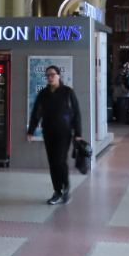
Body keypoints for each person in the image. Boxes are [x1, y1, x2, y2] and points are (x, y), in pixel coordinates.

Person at [28, 65, 82, 206]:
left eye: (52, 74)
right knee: (53, 163)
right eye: (47, 75)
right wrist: (31, 131)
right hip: (48, 132)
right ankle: (57, 191)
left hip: (64, 133)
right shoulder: (43, 94)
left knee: (60, 161)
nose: (50, 77)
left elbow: (76, 113)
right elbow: (36, 113)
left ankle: (65, 188)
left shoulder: (68, 92)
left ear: (59, 76)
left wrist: (78, 133)